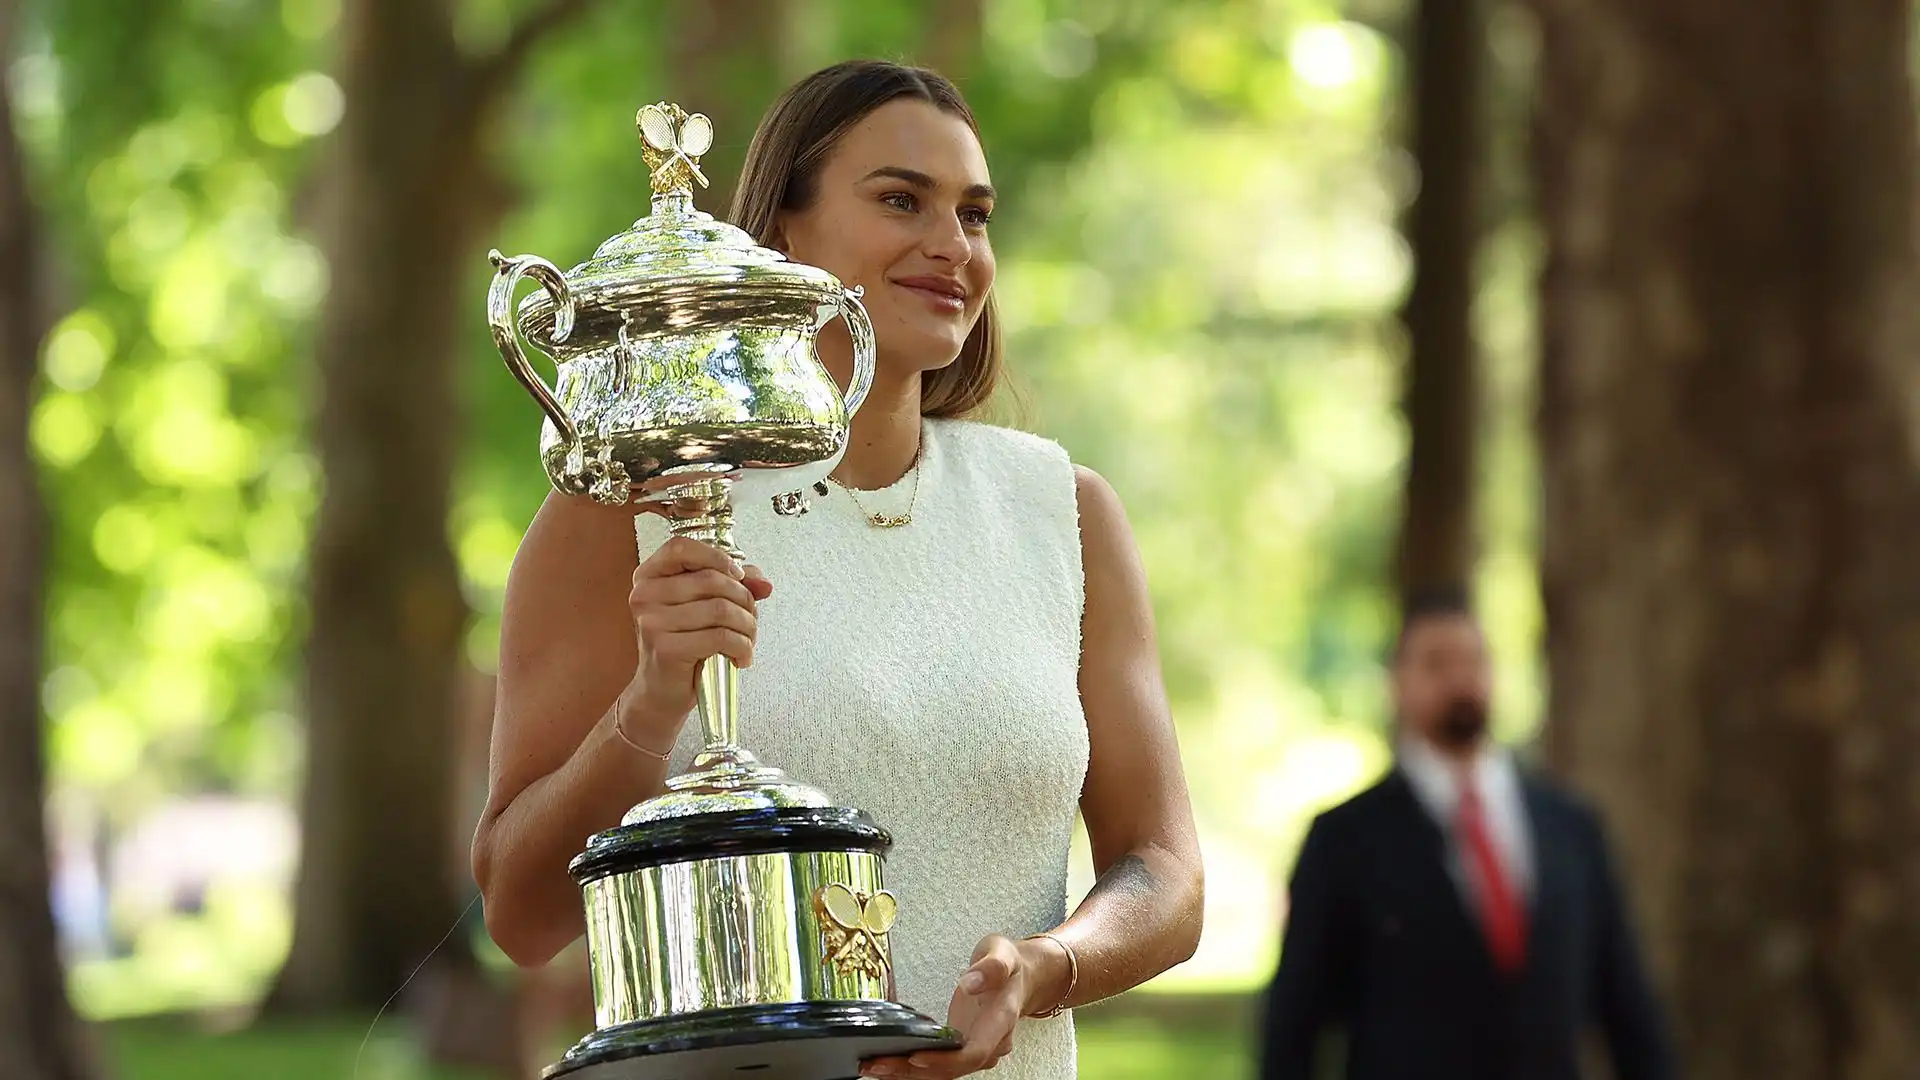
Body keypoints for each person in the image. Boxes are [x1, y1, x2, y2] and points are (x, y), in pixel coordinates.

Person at [471, 60, 1204, 1080]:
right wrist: (652, 698)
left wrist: (1045, 966)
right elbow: (521, 912)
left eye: (975, 214)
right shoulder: (625, 505)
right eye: (902, 200)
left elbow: (1166, 875)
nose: (951, 245)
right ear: (781, 235)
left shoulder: (1063, 512)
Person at [1258, 588, 1676, 1080]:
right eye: (1436, 664)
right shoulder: (1344, 840)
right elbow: (1294, 1023)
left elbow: (1626, 1000)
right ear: (1398, 683)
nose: (1460, 679)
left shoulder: (1572, 828)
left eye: (1473, 660)